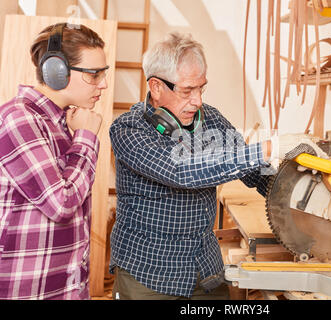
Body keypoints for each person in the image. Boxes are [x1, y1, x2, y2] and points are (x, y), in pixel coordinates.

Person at [109, 32, 304, 300]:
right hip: (148, 275)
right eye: (188, 90)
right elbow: (180, 170)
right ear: (156, 87)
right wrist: (266, 149)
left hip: (205, 271)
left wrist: (298, 191)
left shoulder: (209, 118)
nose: (198, 100)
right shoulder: (128, 129)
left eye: (201, 88)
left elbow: (253, 171)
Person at [0, 23, 108, 299]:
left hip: (63, 287)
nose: (103, 84)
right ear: (56, 72)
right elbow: (61, 203)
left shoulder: (61, 122)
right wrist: (84, 138)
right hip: (28, 290)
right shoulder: (19, 119)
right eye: (94, 75)